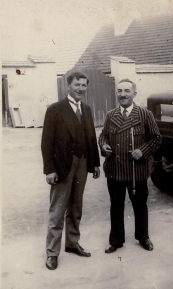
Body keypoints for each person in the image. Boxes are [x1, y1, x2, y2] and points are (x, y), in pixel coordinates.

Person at [41, 71, 100, 270]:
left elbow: (91, 138)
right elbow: (46, 143)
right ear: (68, 86)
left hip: (82, 164)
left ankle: (72, 243)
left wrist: (95, 164)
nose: (81, 89)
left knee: (76, 207)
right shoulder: (55, 110)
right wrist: (49, 169)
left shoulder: (87, 109)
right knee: (57, 211)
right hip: (62, 167)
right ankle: (52, 253)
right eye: (77, 85)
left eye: (84, 85)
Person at [98, 79, 162, 254]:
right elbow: (102, 136)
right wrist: (103, 147)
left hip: (137, 171)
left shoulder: (144, 114)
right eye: (119, 91)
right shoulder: (111, 115)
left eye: (127, 91)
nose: (123, 94)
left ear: (134, 93)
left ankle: (143, 237)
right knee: (116, 206)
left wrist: (143, 151)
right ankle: (116, 241)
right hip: (115, 170)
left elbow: (156, 138)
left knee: (140, 206)